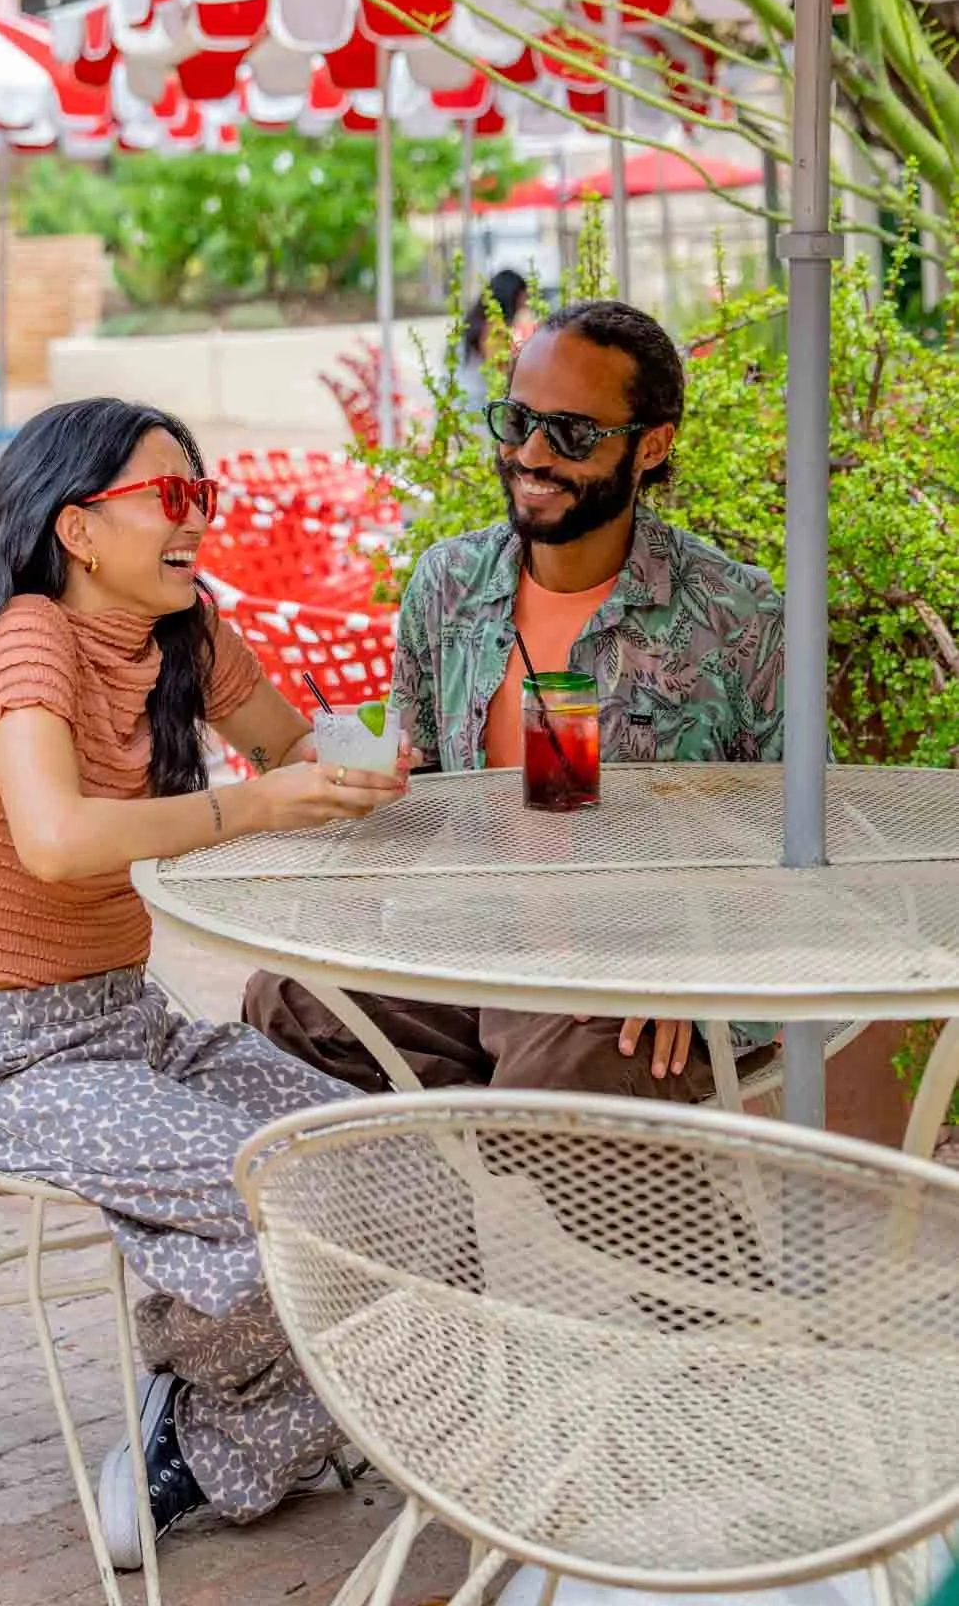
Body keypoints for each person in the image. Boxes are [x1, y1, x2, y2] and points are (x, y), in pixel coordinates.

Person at [0, 398, 406, 1567]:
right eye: (168, 499)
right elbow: (57, 839)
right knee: (264, 1188)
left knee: (376, 1155)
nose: (196, 524)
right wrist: (250, 807)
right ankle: (211, 1425)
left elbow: (291, 747)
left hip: (127, 1024)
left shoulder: (179, 632)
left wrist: (349, 775)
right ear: (78, 529)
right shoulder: (25, 640)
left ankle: (245, 1414)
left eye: (202, 498)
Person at [246, 298, 786, 1102]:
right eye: (516, 420)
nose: (531, 452)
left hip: (639, 985)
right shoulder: (448, 585)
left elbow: (798, 838)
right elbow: (418, 790)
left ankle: (526, 1155)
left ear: (652, 447)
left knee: (555, 1081)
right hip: (475, 954)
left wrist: (700, 975)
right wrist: (356, 789)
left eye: (570, 433)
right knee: (288, 1001)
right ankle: (446, 1198)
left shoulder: (736, 614)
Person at [458, 267, 530, 409]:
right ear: (511, 296)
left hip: (461, 405)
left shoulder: (473, 323)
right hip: (478, 407)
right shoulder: (494, 330)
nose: (526, 301)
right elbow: (502, 376)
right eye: (523, 295)